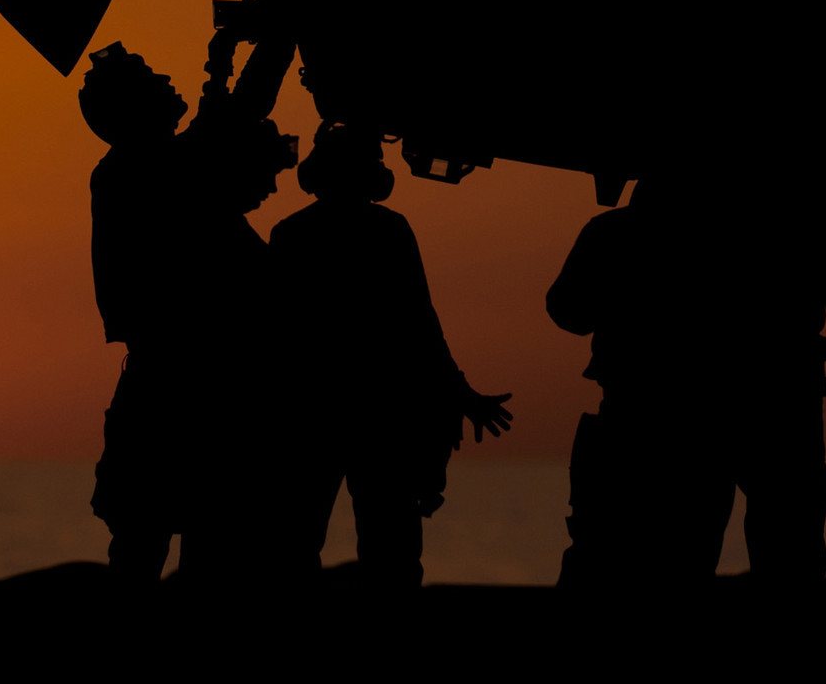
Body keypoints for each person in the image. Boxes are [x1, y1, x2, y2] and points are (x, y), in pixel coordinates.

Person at [80, 31, 297, 585]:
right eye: (152, 82)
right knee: (197, 539)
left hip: (165, 379)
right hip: (197, 384)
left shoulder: (131, 170)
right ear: (134, 110)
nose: (165, 83)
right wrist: (277, 39)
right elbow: (240, 112)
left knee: (148, 538)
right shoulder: (156, 168)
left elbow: (227, 122)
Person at [547, 167, 826, 591]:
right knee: (787, 556)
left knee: (653, 563)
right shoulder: (785, 230)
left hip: (653, 416)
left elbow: (568, 311)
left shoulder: (616, 232)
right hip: (771, 407)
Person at [268, 124, 512, 587]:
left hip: (308, 417)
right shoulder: (390, 230)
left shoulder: (290, 233)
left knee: (292, 548)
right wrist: (460, 394)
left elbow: (273, 335)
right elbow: (420, 325)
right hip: (379, 417)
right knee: (391, 553)